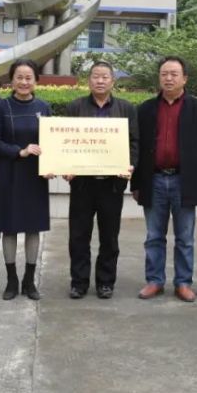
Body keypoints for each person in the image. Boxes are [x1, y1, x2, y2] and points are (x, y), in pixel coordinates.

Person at [131, 56, 197, 303]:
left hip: (185, 181)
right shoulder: (146, 109)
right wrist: (136, 183)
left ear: (184, 78)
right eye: (164, 74)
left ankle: (183, 283)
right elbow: (136, 147)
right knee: (154, 236)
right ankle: (154, 280)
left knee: (185, 238)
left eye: (174, 74)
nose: (168, 78)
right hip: (154, 180)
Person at [63, 61, 139, 300]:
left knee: (109, 236)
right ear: (89, 80)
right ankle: (79, 282)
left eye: (105, 77)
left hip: (111, 184)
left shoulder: (126, 108)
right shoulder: (75, 107)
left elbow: (134, 143)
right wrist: (66, 166)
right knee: (78, 235)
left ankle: (106, 282)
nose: (100, 81)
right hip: (82, 184)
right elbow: (65, 142)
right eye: (96, 76)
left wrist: (131, 165)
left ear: (112, 81)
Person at [0, 58, 53, 301]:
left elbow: (51, 143)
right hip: (9, 174)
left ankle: (29, 279)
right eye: (19, 77)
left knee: (33, 227)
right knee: (10, 228)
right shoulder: (1, 107)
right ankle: (11, 280)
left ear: (36, 81)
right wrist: (20, 151)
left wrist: (52, 165)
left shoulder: (44, 107)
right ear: (12, 80)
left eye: (29, 78)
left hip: (36, 176)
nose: (24, 82)